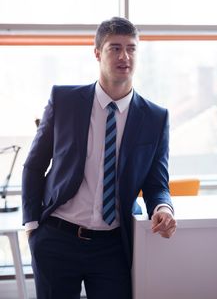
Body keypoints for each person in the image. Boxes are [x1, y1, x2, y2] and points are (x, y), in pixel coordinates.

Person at [22, 16, 176, 299]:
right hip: (57, 239)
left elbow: (157, 183)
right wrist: (32, 226)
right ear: (97, 53)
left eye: (131, 48)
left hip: (113, 247)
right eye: (114, 48)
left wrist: (163, 208)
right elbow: (34, 165)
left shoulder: (155, 117)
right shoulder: (64, 100)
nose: (124, 56)